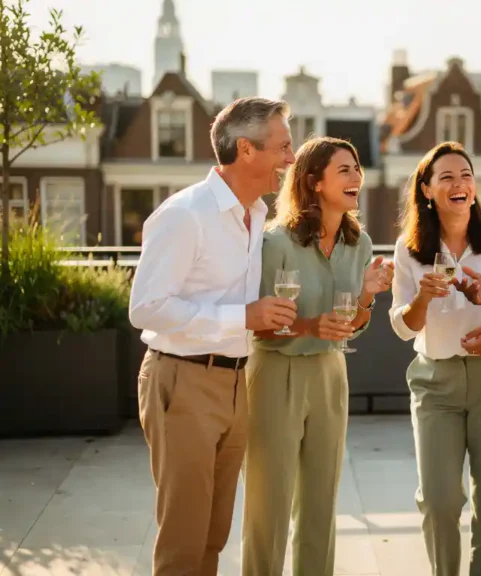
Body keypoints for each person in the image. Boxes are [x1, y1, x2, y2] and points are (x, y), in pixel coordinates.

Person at [129, 97, 298, 576]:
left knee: (213, 534)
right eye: (283, 147)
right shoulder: (185, 214)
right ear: (246, 150)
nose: (291, 158)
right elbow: (146, 307)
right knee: (183, 539)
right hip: (182, 383)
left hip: (235, 383)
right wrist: (242, 317)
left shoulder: (257, 214)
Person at [241, 136, 394, 576]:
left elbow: (356, 322)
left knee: (321, 504)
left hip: (331, 373)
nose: (356, 177)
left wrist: (366, 294)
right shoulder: (274, 244)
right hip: (275, 371)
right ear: (314, 181)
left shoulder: (359, 243)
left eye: (357, 168)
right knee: (268, 506)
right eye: (344, 169)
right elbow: (255, 321)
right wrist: (308, 325)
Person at [389, 141, 481, 576]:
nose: (460, 184)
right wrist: (420, 299)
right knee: (438, 500)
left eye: (466, 175)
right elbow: (402, 325)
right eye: (447, 177)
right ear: (427, 190)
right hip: (436, 381)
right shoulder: (408, 249)